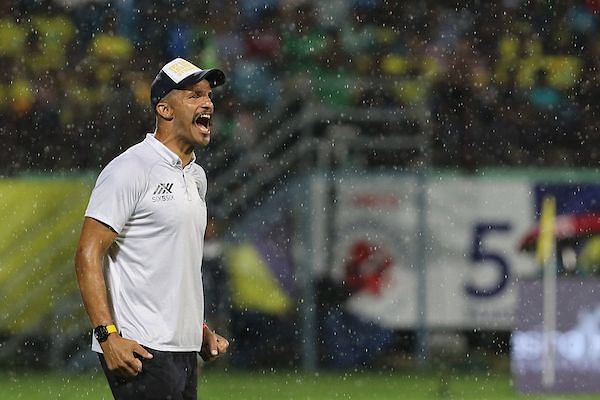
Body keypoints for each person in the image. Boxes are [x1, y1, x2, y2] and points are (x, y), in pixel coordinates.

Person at [74, 57, 229, 400]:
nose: (207, 103)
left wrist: (197, 329)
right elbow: (87, 253)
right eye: (194, 95)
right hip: (141, 349)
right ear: (165, 110)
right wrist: (107, 335)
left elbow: (171, 266)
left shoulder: (196, 176)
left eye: (209, 95)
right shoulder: (131, 169)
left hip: (182, 349)